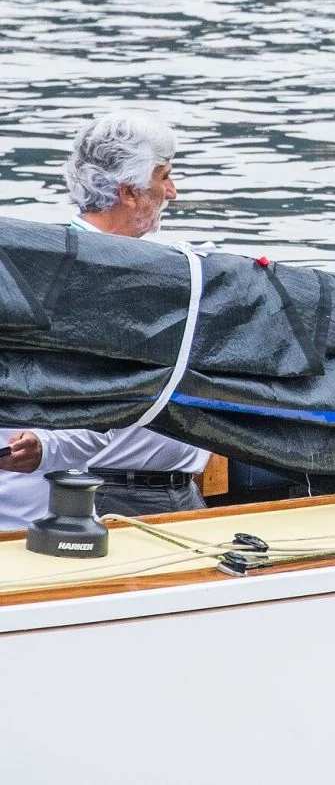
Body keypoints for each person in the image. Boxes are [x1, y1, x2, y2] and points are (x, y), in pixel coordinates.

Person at [0, 113, 211, 530]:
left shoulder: (53, 263)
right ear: (130, 193)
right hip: (42, 505)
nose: (172, 191)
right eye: (163, 177)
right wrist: (50, 445)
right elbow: (99, 406)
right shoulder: (94, 276)